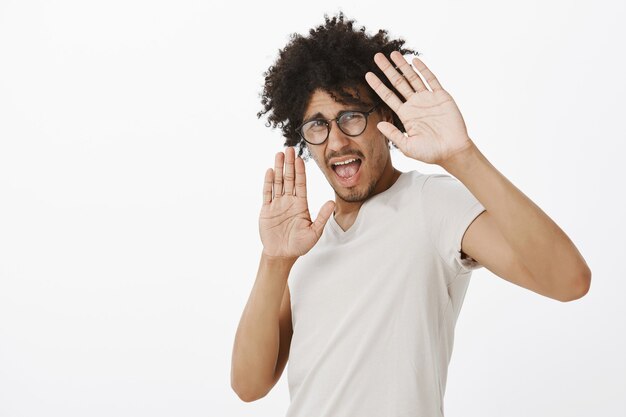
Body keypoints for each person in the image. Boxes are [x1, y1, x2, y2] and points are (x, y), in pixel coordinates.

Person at [230, 12, 591, 417]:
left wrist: (462, 157)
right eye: (317, 125)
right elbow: (249, 385)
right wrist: (275, 260)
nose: (335, 141)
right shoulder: (304, 242)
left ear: (384, 118)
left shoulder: (432, 203)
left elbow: (569, 280)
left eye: (351, 116)